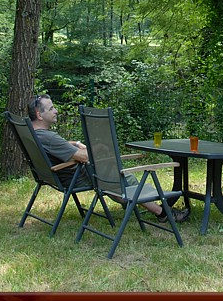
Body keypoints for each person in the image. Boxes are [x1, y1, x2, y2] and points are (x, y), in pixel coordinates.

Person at [28, 94, 189, 224]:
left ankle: (131, 202)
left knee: (112, 174)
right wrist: (95, 150)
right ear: (39, 114)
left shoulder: (35, 133)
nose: (55, 111)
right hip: (77, 177)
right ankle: (162, 213)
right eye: (51, 108)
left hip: (60, 176)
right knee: (119, 177)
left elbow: (62, 145)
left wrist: (77, 143)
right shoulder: (49, 138)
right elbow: (83, 157)